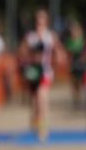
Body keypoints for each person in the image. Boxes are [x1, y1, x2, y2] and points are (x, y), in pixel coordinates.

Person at [18, 9, 63, 142]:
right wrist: (29, 58)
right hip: (32, 72)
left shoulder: (50, 36)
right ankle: (35, 118)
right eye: (38, 18)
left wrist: (59, 57)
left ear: (46, 20)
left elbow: (59, 51)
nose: (40, 21)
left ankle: (43, 129)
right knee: (35, 102)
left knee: (42, 99)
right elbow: (21, 52)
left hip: (45, 71)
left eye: (43, 19)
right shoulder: (30, 36)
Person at [65, 20, 86, 107]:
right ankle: (76, 98)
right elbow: (67, 53)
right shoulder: (69, 41)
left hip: (81, 64)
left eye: (76, 30)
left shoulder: (83, 40)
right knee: (74, 83)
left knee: (81, 82)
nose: (74, 32)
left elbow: (85, 52)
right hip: (73, 64)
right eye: (73, 30)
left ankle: (81, 97)